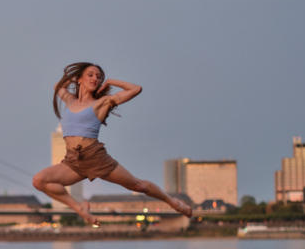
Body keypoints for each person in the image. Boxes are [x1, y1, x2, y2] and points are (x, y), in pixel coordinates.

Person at [32, 62, 192, 226]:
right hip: (73, 161)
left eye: (98, 77)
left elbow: (136, 89)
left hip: (95, 157)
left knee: (138, 185)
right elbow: (58, 87)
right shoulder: (70, 100)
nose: (95, 79)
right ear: (80, 79)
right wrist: (74, 77)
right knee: (39, 181)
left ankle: (173, 202)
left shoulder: (102, 103)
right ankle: (80, 208)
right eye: (90, 75)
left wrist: (110, 81)